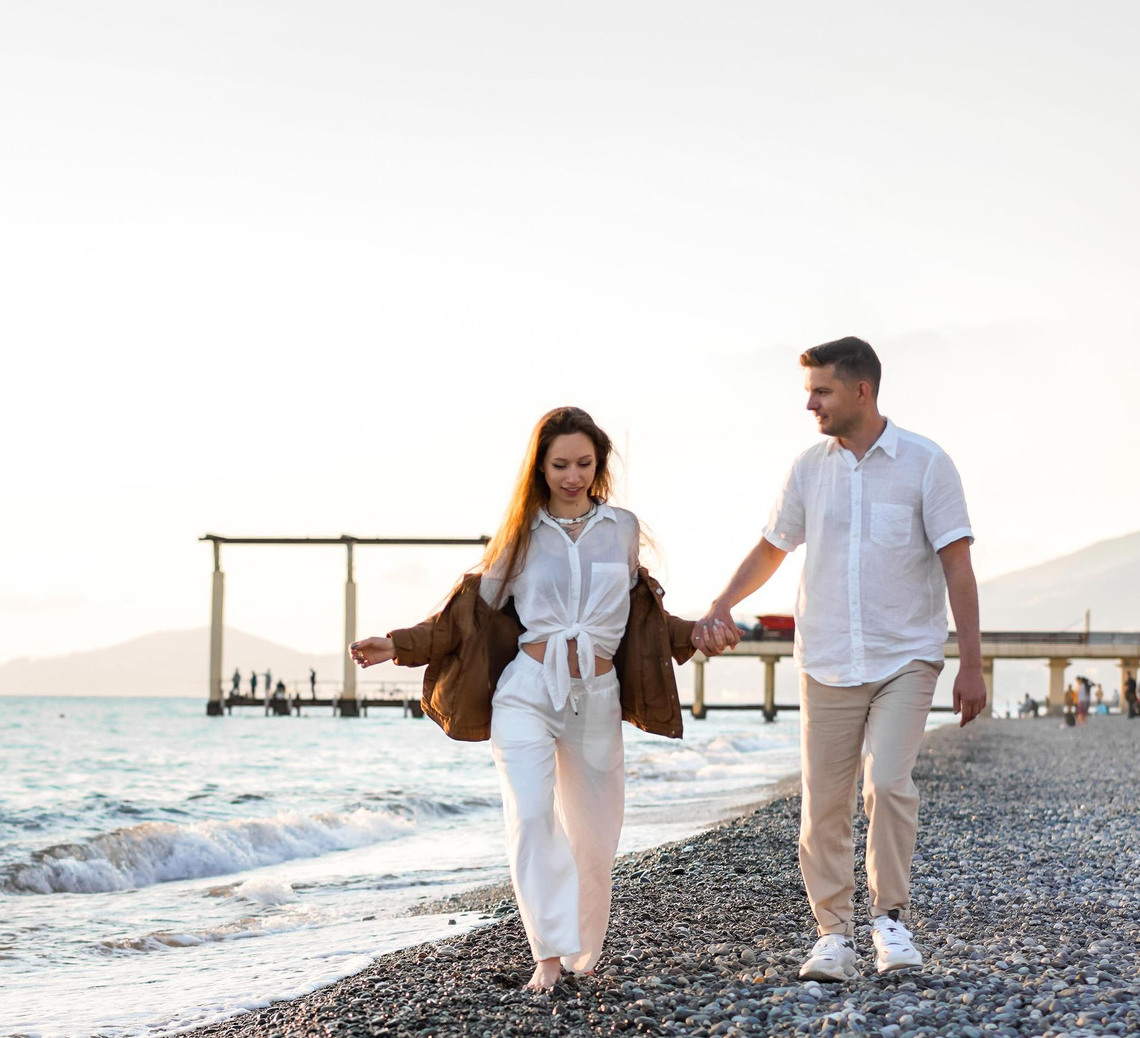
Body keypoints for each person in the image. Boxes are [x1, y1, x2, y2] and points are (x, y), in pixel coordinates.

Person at [350, 407, 700, 995]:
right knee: (533, 818)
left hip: (596, 697)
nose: (572, 476)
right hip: (527, 694)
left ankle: (582, 948)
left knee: (595, 836)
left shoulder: (622, 528)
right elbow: (461, 616)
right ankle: (548, 956)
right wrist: (397, 645)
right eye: (560, 464)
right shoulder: (519, 535)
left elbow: (644, 617)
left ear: (599, 464)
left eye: (584, 464)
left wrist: (700, 633)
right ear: (539, 467)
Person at [693, 338, 984, 984]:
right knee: (823, 804)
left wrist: (971, 663)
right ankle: (833, 935)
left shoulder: (927, 465)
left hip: (905, 655)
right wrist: (721, 603)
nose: (809, 403)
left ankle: (890, 923)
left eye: (820, 391)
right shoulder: (808, 468)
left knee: (886, 785)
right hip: (825, 658)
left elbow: (957, 567)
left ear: (861, 391)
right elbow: (772, 548)